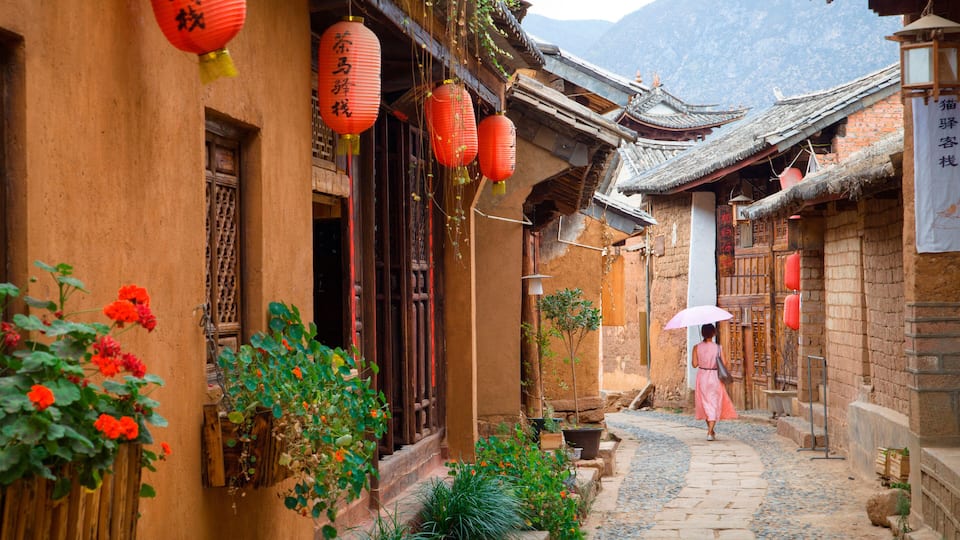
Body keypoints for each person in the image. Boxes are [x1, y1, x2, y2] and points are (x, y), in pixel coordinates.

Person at [692, 323, 737, 440]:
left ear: (702, 333)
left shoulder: (696, 347)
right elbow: (725, 363)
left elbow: (694, 364)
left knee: (706, 404)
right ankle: (710, 432)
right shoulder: (718, 348)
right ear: (713, 333)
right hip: (714, 377)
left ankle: (710, 431)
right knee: (713, 403)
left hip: (702, 377)